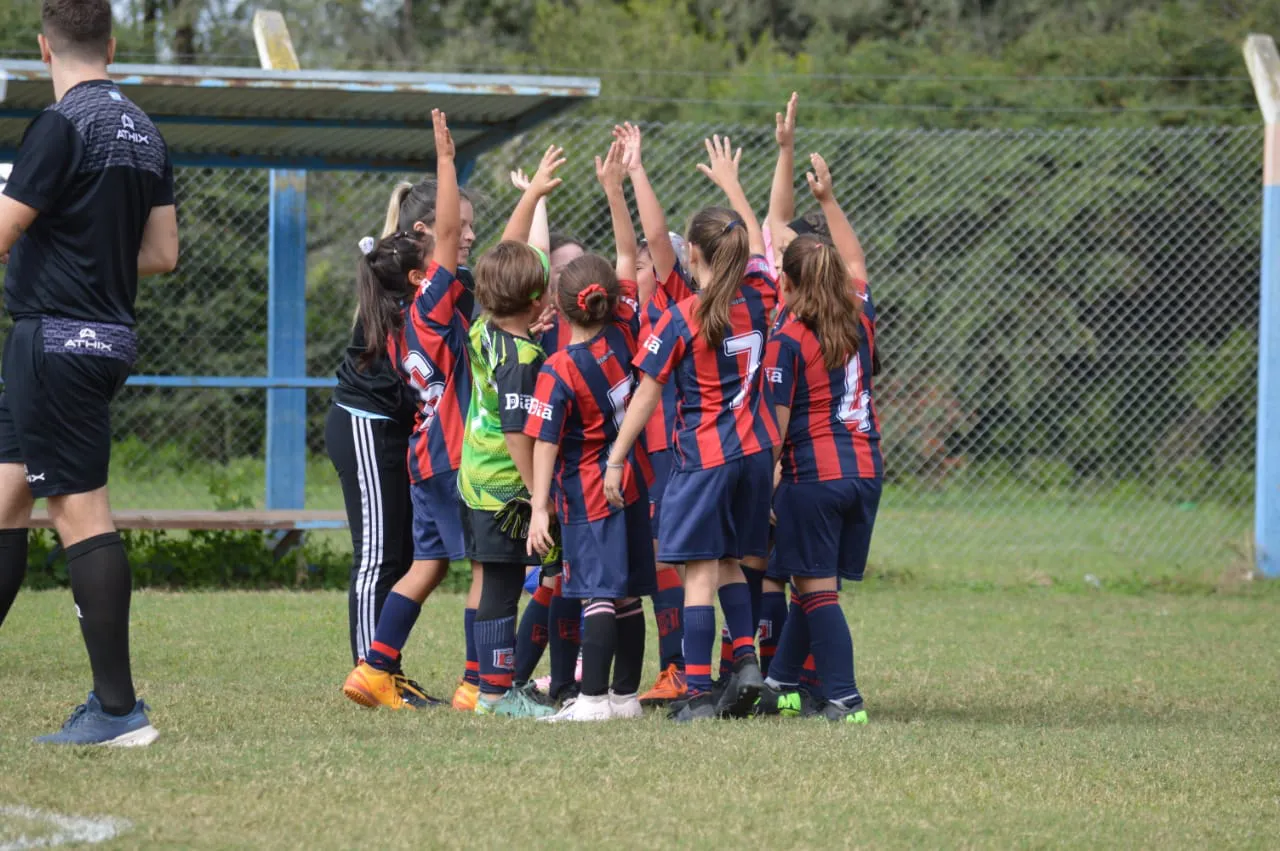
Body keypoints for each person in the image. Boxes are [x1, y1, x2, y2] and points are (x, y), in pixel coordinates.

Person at [0, 0, 178, 746]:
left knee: (78, 511)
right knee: (6, 495)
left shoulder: (61, 125)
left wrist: (54, 242)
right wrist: (87, 246)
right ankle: (113, 708)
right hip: (107, 339)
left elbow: (5, 231)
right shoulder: (145, 131)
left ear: (44, 48)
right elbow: (163, 253)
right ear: (110, 43)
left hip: (56, 341)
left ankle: (116, 709)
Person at [604, 135, 778, 722]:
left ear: (694, 258)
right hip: (755, 454)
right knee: (730, 560)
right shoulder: (760, 298)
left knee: (697, 570)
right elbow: (754, 246)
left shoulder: (686, 315)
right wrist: (733, 189)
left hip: (705, 458)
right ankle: (747, 660)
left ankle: (699, 691)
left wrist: (616, 457)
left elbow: (648, 392)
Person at [340, 110, 468, 710]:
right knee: (381, 554)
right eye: (457, 224)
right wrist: (446, 160)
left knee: (421, 560)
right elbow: (444, 238)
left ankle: (381, 666)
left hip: (416, 437)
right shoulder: (426, 304)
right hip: (376, 426)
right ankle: (374, 669)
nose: (465, 234)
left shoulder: (405, 304)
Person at [525, 140, 654, 722]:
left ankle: (594, 699)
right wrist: (614, 189)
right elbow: (628, 252)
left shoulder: (557, 369)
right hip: (633, 483)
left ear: (558, 304)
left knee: (599, 592)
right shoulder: (626, 328)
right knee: (626, 595)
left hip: (588, 491)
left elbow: (545, 442)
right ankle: (626, 697)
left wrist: (538, 507)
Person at [757, 152, 880, 725]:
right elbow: (855, 258)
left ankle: (844, 699)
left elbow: (777, 431)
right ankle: (782, 681)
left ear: (789, 281)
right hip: (864, 474)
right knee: (816, 583)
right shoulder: (857, 315)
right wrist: (828, 200)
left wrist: (768, 489)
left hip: (815, 479)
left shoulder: (787, 339)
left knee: (817, 593)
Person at [461, 146, 566, 718]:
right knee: (503, 585)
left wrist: (530, 196)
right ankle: (499, 695)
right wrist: (540, 502)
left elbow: (504, 255)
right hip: (507, 485)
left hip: (475, 475)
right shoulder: (523, 355)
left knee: (498, 580)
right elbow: (518, 430)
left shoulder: (484, 327)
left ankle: (495, 688)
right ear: (538, 299)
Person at [612, 123, 691, 706]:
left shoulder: (674, 297)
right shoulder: (632, 312)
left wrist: (637, 171)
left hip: (671, 445)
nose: (637, 269)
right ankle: (674, 668)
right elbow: (625, 248)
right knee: (657, 557)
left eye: (646, 265)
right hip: (644, 447)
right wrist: (614, 185)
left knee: (671, 555)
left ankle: (681, 668)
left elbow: (656, 238)